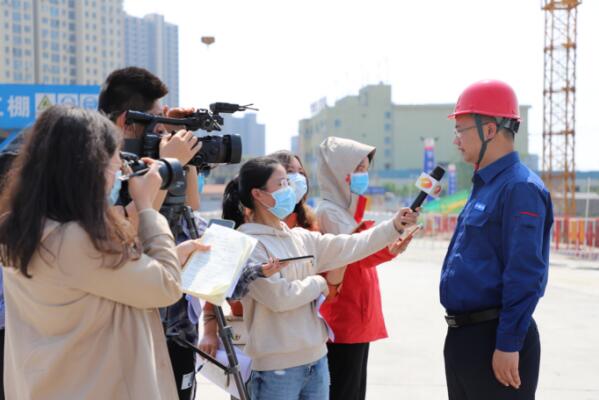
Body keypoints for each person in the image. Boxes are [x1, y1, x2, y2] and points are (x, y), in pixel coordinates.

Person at [0, 106, 208, 399]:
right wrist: (147, 206)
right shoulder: (78, 241)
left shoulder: (20, 228)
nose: (118, 175)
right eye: (115, 164)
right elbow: (166, 286)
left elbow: (109, 276)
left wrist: (168, 252)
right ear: (89, 168)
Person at [222, 156, 419, 400]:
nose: (289, 189)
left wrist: (394, 226)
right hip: (276, 368)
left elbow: (352, 245)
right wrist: (319, 283)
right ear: (258, 195)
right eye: (281, 184)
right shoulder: (250, 244)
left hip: (316, 359)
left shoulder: (301, 238)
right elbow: (279, 298)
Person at [441, 80, 553, 399]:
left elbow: (525, 272)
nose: (456, 139)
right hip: (465, 336)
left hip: (495, 338)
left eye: (462, 129)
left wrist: (508, 342)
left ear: (489, 130)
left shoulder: (520, 188)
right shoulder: (486, 185)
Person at [98, 66, 202, 399]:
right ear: (127, 121)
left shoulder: (152, 156)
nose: (161, 126)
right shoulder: (105, 172)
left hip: (176, 319)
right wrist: (165, 167)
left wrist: (183, 158)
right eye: (155, 118)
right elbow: (134, 234)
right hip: (136, 324)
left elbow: (191, 205)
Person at [315, 136, 414, 400]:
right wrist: (390, 238)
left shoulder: (346, 211)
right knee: (344, 391)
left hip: (356, 316)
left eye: (365, 168)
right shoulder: (329, 211)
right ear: (339, 172)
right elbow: (355, 252)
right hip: (343, 318)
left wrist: (391, 249)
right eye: (357, 168)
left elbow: (363, 252)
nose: (363, 174)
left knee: (355, 390)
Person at [269, 150, 319, 230]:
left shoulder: (308, 219)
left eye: (300, 172)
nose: (298, 178)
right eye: (290, 171)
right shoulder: (256, 220)